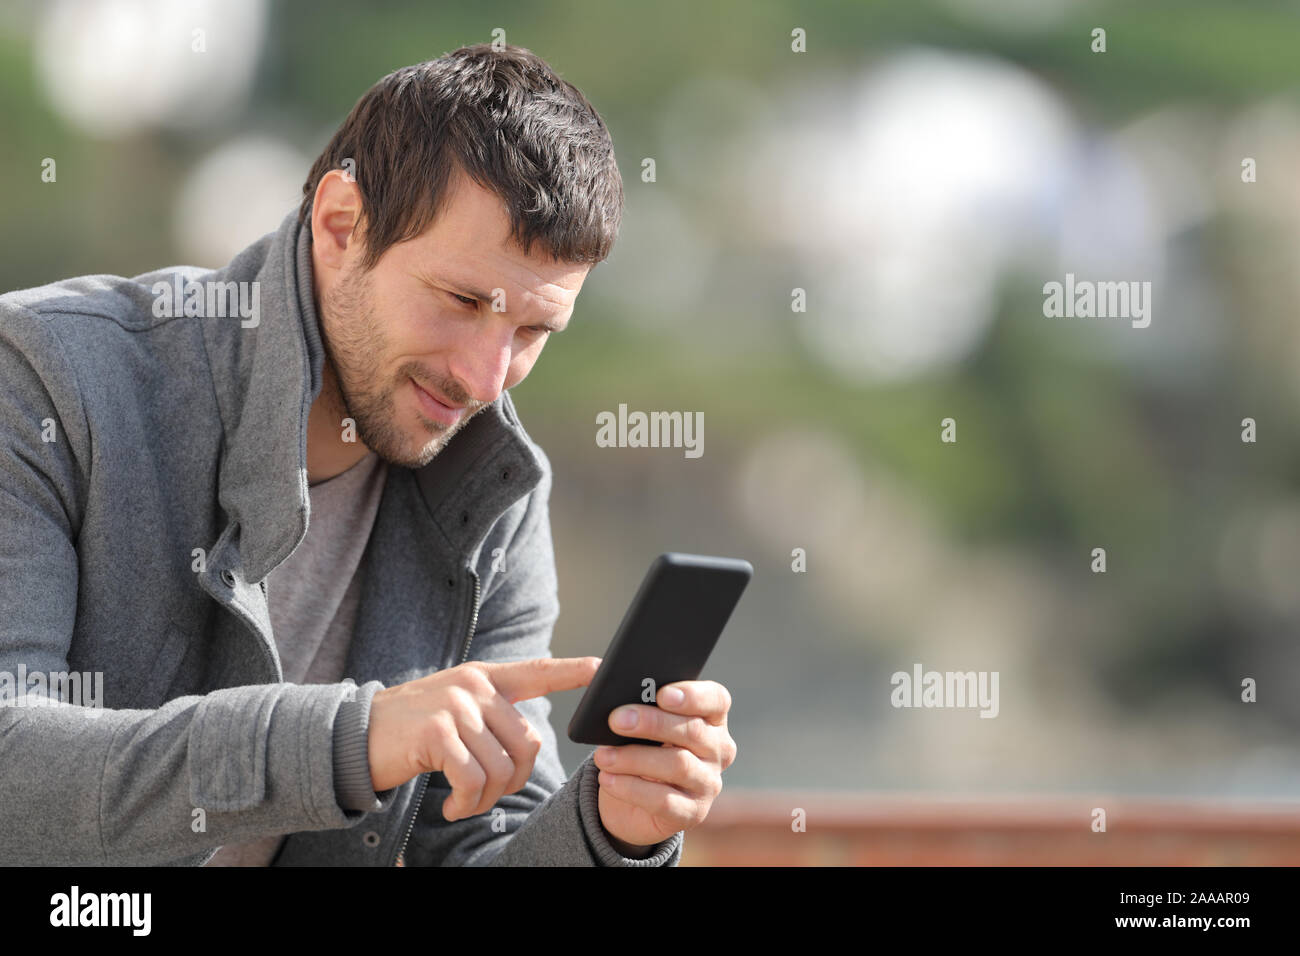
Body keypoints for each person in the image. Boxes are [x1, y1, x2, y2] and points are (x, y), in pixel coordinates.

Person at [0, 43, 736, 866]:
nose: (484, 381)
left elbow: (475, 843)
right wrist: (354, 738)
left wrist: (612, 829)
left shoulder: (498, 491)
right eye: (462, 300)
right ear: (341, 225)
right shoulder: (42, 379)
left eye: (532, 331)